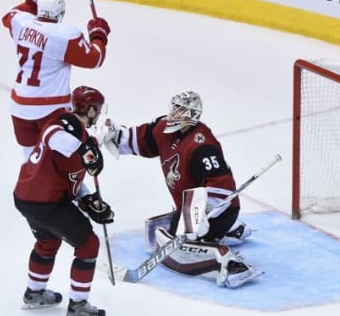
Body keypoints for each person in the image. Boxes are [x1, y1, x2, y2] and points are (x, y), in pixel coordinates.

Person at [98, 90, 262, 288]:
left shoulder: (202, 145)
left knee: (178, 244)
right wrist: (115, 134)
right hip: (188, 208)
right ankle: (233, 230)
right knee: (166, 232)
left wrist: (203, 212)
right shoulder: (163, 128)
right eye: (174, 108)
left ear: (192, 115)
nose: (174, 114)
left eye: (181, 110)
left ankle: (233, 265)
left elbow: (223, 185)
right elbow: (142, 140)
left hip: (216, 211)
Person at [13, 85, 113, 315]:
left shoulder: (83, 137)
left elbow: (72, 179)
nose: (98, 114)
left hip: (27, 198)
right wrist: (82, 150)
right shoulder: (64, 121)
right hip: (45, 201)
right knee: (88, 244)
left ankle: (35, 292)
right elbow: (51, 136)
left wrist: (89, 200)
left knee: (48, 242)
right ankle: (78, 305)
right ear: (88, 110)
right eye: (96, 109)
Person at [2, 0, 111, 161]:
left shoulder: (21, 23)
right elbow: (95, 59)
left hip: (18, 108)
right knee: (61, 159)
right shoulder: (63, 35)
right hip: (49, 110)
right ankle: (68, 188)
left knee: (30, 156)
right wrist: (99, 35)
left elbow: (10, 15)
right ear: (61, 13)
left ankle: (28, 186)